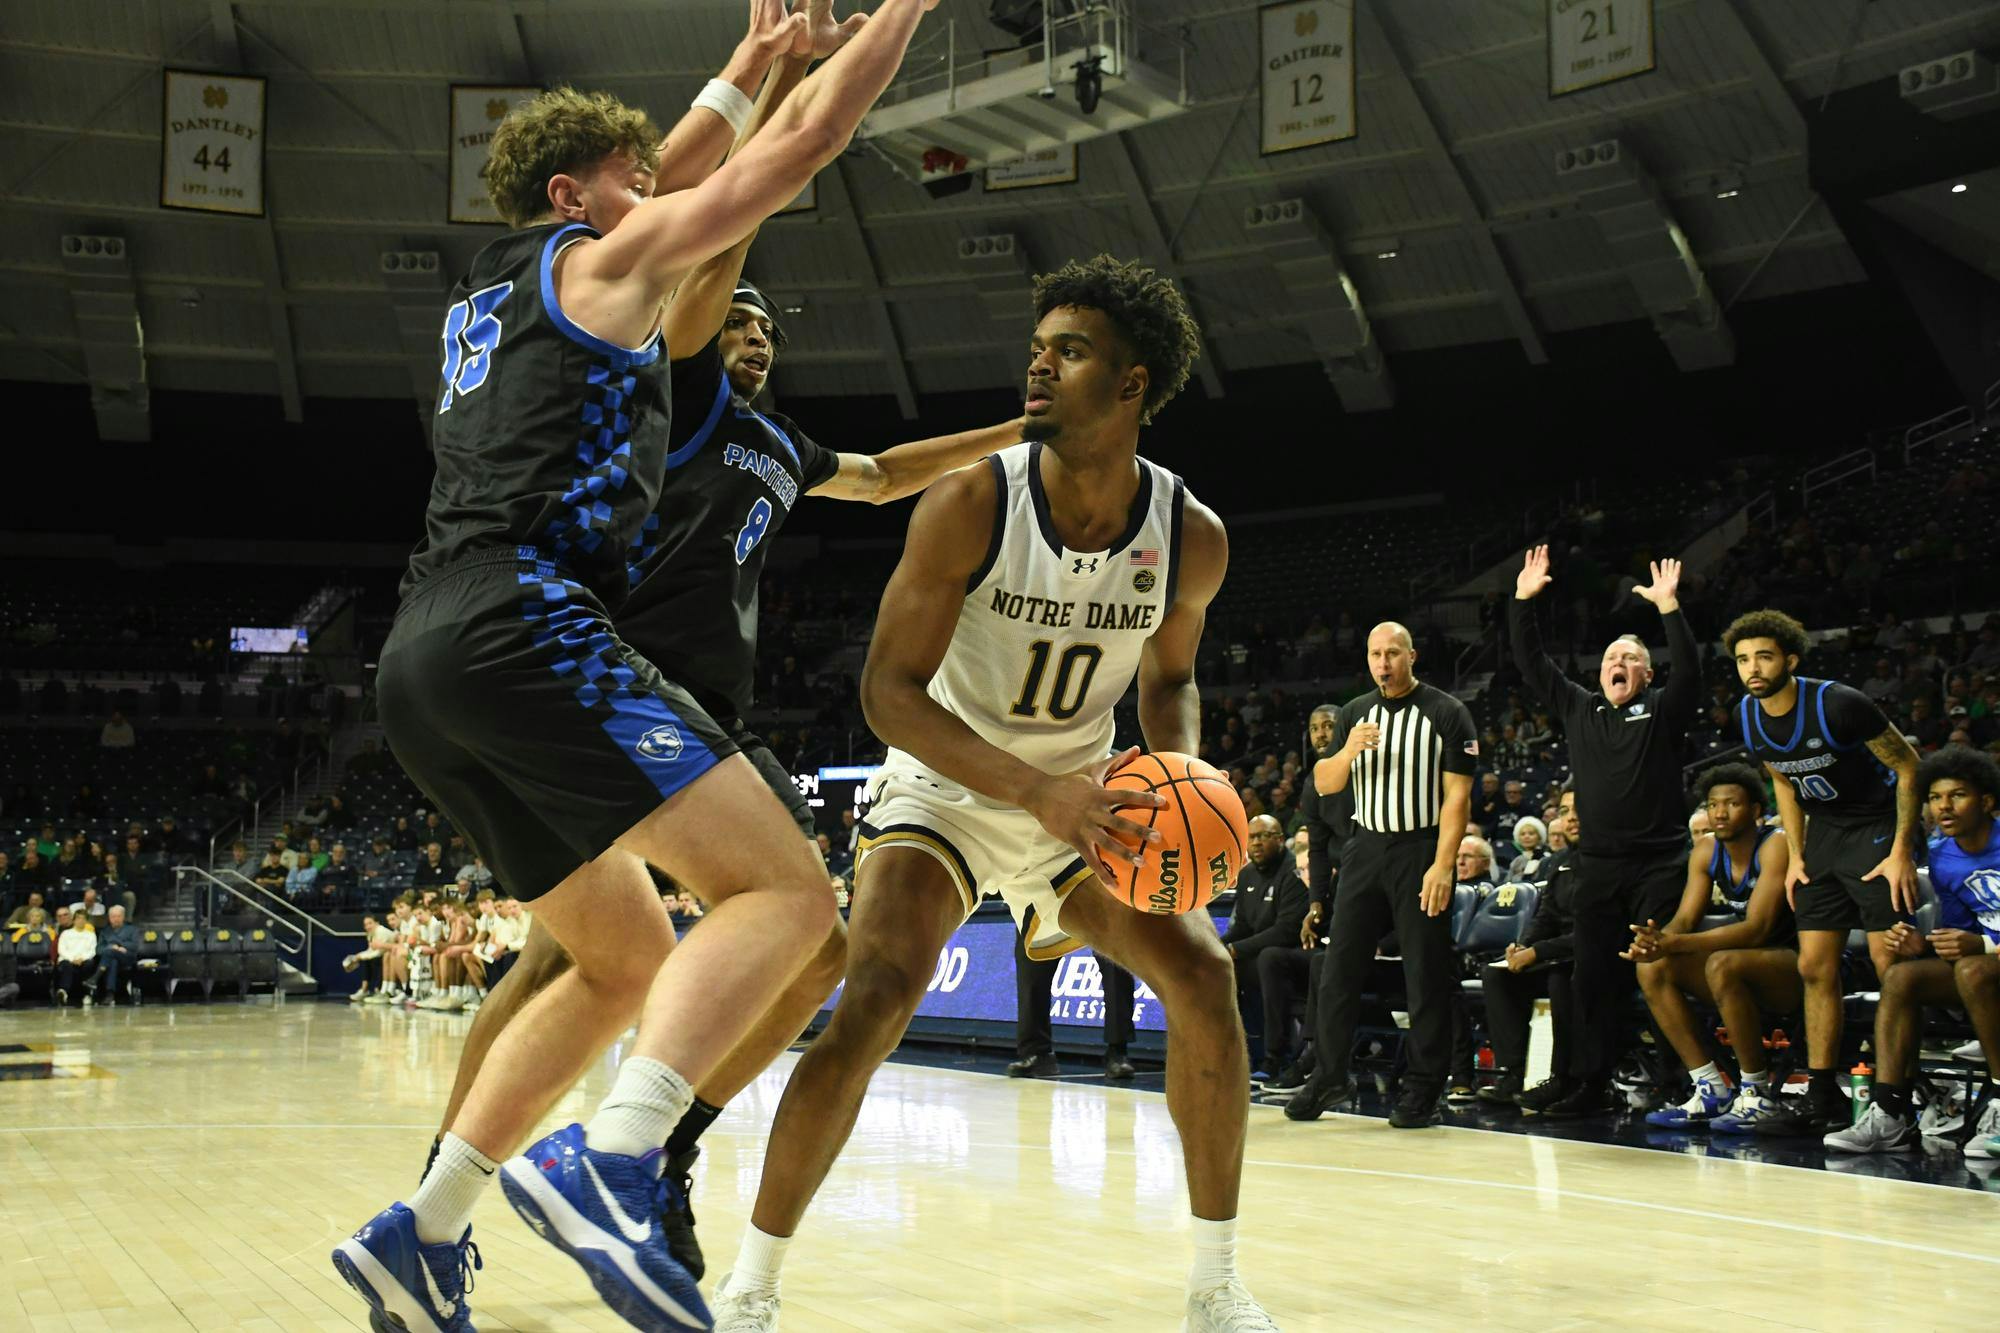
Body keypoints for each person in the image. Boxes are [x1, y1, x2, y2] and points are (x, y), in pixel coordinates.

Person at [331, 6, 942, 1331]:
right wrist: (901, 14)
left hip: (423, 656)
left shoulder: (498, 289)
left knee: (617, 953)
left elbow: (684, 152)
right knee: (785, 895)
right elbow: (810, 143)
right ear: (577, 196)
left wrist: (754, 54)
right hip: (530, 626)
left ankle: (419, 1232)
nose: (658, 187)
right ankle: (609, 1159)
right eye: (635, 181)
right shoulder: (613, 265)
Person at [709, 255, 1275, 1332]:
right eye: (1036, 346)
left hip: (1084, 798)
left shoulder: (1188, 535)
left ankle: (1214, 1283)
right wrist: (1031, 793)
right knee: (873, 996)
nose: (1037, 364)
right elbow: (887, 692)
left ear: (1129, 384)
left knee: (1203, 975)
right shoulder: (974, 499)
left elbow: (1169, 681)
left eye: (1068, 350)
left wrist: (1180, 774)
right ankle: (751, 1284)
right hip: (947, 786)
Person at [1508, 547, 1698, 1117]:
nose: (1618, 662)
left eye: (1630, 657)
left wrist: (1669, 610)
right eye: (1611, 656)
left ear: (1646, 673)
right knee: (1588, 977)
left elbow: (1691, 670)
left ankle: (1674, 1081)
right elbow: (1532, 661)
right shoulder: (1581, 709)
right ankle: (1588, 1083)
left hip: (1660, 862)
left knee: (1651, 967)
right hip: (1599, 864)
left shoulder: (1662, 709)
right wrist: (1522, 602)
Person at [1724, 608, 1922, 1136]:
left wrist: (1903, 849)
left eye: (1763, 656)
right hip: (1824, 836)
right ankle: (1822, 1091)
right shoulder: (1747, 712)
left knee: (1889, 964)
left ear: (1789, 658)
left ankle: (1897, 1097)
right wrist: (1797, 852)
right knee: (1814, 966)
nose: (1752, 668)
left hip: (1876, 826)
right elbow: (1783, 782)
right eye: (1743, 659)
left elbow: (1908, 764)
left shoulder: (1839, 703)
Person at [1283, 622, 1477, 1129]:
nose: (1383, 662)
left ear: (1412, 656)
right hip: (1364, 848)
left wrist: (1442, 862)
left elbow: (1457, 795)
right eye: (1375, 654)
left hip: (1420, 848)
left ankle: (1425, 1087)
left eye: (1393, 653)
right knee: (1337, 968)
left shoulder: (1447, 712)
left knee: (1424, 974)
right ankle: (1330, 1074)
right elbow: (1324, 784)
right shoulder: (1352, 714)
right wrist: (1347, 750)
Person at [1824, 746, 2000, 1154]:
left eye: (1957, 795)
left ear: (1986, 801)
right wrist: (1924, 947)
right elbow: (1962, 937)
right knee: (1903, 977)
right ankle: (1890, 1113)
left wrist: (1984, 946)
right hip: (1985, 971)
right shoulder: (1942, 855)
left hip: (1986, 966)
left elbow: (1976, 947)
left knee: (1975, 969)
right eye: (1935, 798)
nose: (1943, 806)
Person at [1625, 762, 1798, 1131]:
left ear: (1755, 811)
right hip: (1744, 967)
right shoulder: (1705, 850)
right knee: (1652, 968)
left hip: (1794, 965)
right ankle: (1709, 1086)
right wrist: (1656, 943)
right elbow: (1685, 920)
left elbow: (1758, 929)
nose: (1719, 812)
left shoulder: (1776, 845)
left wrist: (1676, 942)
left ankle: (1757, 1094)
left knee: (1723, 963)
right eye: (1712, 804)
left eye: (1731, 804)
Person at [1478, 789, 1583, 1111]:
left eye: (1579, 809)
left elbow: (1595, 932)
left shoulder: (1608, 861)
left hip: (1589, 957)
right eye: (1565, 811)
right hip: (1555, 953)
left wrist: (1537, 953)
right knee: (1497, 976)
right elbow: (1545, 916)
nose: (1572, 818)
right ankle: (1512, 1073)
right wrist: (1522, 947)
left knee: (1560, 977)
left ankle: (1563, 1078)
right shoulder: (1558, 862)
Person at [1224, 815, 1309, 1079]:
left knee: (1268, 959)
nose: (1256, 843)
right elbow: (1243, 926)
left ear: (1280, 839)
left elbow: (1287, 930)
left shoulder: (1295, 871)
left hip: (1294, 957)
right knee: (1214, 967)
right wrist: (1217, 948)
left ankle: (1276, 1057)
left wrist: (1236, 949)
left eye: (1263, 836)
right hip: (1261, 957)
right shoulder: (1247, 873)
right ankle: (1227, 1055)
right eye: (1251, 837)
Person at [1008, 936, 1139, 1080]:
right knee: (1029, 953)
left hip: (1096, 914)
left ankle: (1118, 1051)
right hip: (1047, 914)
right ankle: (1036, 1053)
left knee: (1115, 952)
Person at [96, 904, 140, 1005]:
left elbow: (134, 946)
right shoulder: (105, 931)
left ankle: (96, 977)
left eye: (118, 916)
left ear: (123, 917)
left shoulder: (132, 930)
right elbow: (98, 949)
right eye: (113, 916)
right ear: (109, 918)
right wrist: (111, 948)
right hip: (111, 960)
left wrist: (118, 946)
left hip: (128, 958)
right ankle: (110, 994)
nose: (116, 919)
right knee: (112, 960)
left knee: (110, 952)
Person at [54, 908, 98, 1006]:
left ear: (86, 921)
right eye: (78, 918)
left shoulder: (91, 935)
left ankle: (86, 994)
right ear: (74, 920)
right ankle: (63, 992)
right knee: (67, 965)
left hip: (84, 960)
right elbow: (61, 950)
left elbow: (92, 951)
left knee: (89, 964)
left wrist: (82, 959)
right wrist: (72, 959)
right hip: (67, 959)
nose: (80, 921)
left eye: (83, 919)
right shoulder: (66, 934)